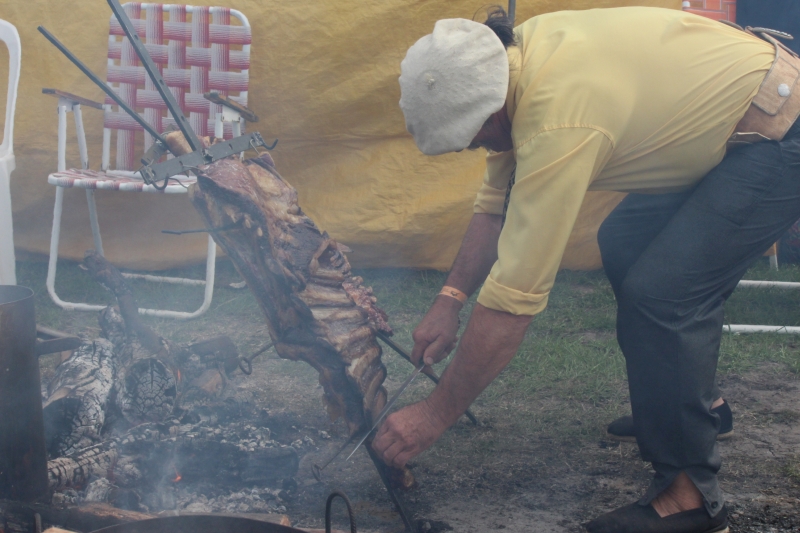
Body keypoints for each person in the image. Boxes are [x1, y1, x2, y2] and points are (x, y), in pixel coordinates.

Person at [371, 6, 800, 533]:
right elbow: (496, 203)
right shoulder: (510, 65)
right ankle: (697, 406)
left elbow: (513, 301)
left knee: (664, 295)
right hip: (729, 127)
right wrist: (450, 299)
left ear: (490, 108)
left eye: (477, 137)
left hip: (778, 131)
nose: (480, 147)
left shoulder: (558, 117)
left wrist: (434, 415)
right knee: (623, 242)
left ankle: (689, 500)